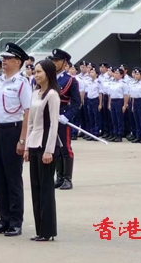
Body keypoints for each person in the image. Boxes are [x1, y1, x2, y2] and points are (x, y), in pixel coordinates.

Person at [0, 42, 32, 237]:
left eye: (8, 59)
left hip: (12, 131)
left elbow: (27, 112)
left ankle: (15, 221)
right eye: (3, 59)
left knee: (12, 178)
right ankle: (3, 219)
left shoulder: (22, 83)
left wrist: (22, 140)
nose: (3, 61)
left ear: (18, 62)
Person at [24, 59, 60, 242]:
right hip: (34, 143)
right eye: (34, 72)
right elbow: (30, 122)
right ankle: (40, 229)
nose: (36, 75)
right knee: (36, 188)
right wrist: (27, 146)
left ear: (48, 73)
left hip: (46, 144)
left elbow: (54, 124)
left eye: (39, 72)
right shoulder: (35, 93)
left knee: (46, 189)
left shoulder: (52, 94)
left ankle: (48, 231)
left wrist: (49, 150)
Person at [47, 49, 80, 190]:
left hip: (62, 116)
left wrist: (66, 117)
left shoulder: (70, 80)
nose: (54, 63)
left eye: (57, 61)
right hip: (50, 116)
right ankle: (59, 177)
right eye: (53, 60)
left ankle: (67, 178)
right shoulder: (49, 78)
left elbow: (76, 103)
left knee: (65, 148)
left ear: (64, 63)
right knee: (54, 148)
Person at [128, 68, 141, 144]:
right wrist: (132, 105)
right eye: (135, 74)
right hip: (134, 101)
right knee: (136, 120)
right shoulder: (134, 83)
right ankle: (138, 136)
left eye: (137, 74)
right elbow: (132, 96)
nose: (135, 76)